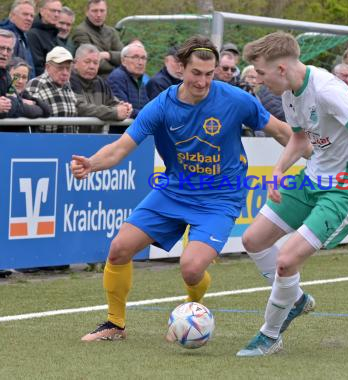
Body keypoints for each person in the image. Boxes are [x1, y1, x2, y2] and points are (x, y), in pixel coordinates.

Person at [73, 35, 293, 342]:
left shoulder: (236, 100)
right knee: (119, 249)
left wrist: (317, 156)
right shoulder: (161, 106)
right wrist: (91, 163)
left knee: (190, 269)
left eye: (209, 73)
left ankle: (195, 308)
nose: (203, 82)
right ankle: (115, 324)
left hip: (220, 197)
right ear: (180, 68)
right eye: (196, 73)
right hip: (174, 191)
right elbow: (122, 147)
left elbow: (284, 133)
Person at [235, 32, 348, 356]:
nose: (258, 81)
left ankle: (270, 335)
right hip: (312, 179)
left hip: (345, 189)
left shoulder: (327, 90)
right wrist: (278, 171)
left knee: (288, 259)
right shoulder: (291, 92)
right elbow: (301, 139)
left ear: (280, 69)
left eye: (261, 73)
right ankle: (295, 299)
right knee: (252, 240)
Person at [71, 0, 123, 78]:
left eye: (102, 11)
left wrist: (108, 55)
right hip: (94, 79)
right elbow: (90, 60)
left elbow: (125, 57)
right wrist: (117, 68)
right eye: (94, 11)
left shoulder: (111, 31)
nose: (99, 15)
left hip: (115, 77)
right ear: (87, 12)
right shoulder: (80, 31)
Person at [0, 0, 36, 78]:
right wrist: (11, 90)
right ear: (12, 15)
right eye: (25, 14)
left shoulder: (23, 36)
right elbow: (11, 72)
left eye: (32, 16)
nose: (29, 18)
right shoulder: (6, 38)